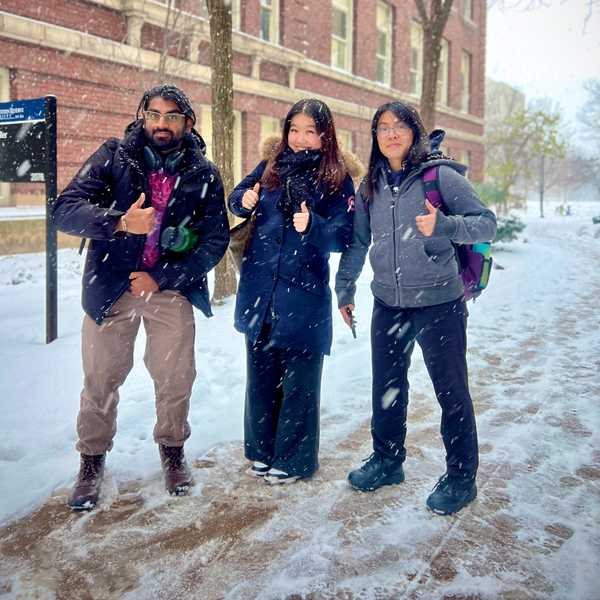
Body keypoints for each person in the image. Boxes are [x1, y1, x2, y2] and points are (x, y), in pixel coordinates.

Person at [52, 84, 229, 509]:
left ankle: (173, 452)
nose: (161, 123)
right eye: (154, 114)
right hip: (112, 289)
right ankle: (91, 463)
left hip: (169, 291)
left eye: (171, 116)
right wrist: (116, 222)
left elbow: (214, 240)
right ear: (142, 116)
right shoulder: (115, 156)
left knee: (175, 378)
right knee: (101, 379)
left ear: (188, 122)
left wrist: (162, 276)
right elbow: (64, 208)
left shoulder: (202, 172)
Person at [335, 101, 497, 515]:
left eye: (399, 126)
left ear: (414, 131)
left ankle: (461, 476)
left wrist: (446, 226)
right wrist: (345, 289)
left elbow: (486, 223)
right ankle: (388, 461)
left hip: (439, 303)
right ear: (375, 137)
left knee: (451, 391)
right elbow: (357, 242)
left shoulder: (439, 176)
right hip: (389, 301)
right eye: (382, 128)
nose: (390, 134)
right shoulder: (370, 184)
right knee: (387, 388)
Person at [228, 98, 358, 485]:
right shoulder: (271, 166)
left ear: (324, 135)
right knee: (261, 376)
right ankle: (263, 450)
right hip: (260, 289)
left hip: (303, 293)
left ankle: (295, 458)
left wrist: (313, 224)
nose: (300, 139)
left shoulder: (337, 177)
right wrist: (243, 198)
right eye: (294, 130)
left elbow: (345, 234)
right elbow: (238, 197)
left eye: (310, 131)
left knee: (300, 382)